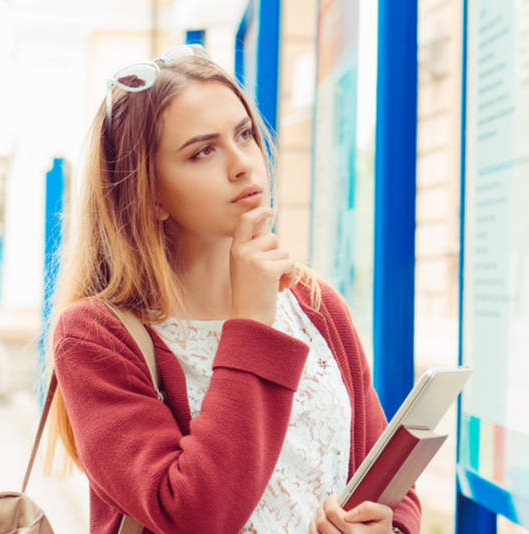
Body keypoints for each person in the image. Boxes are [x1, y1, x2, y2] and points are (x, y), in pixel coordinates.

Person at [44, 44, 419, 534]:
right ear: (150, 195)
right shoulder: (97, 336)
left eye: (244, 134)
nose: (243, 163)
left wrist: (387, 528)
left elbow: (386, 477)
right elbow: (194, 516)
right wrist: (252, 324)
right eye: (202, 151)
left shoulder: (315, 304)